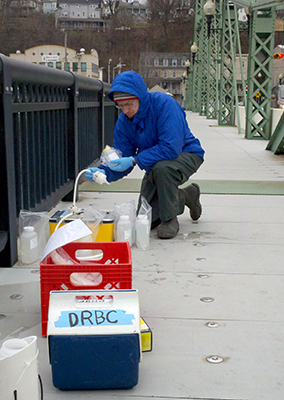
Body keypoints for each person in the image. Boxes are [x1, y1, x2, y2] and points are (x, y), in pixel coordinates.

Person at [85, 71, 204, 239]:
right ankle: (187, 195)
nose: (125, 110)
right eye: (120, 105)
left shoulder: (165, 104)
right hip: (155, 165)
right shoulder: (124, 122)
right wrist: (104, 172)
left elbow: (171, 148)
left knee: (163, 168)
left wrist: (134, 160)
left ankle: (170, 219)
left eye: (129, 104)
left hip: (186, 154)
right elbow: (121, 158)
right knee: (146, 218)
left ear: (140, 96)